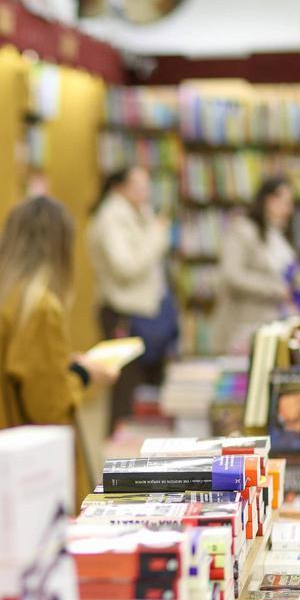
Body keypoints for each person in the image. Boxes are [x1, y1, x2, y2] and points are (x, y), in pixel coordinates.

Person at [0, 195, 117, 506]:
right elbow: (49, 407)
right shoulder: (40, 307)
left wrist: (62, 364)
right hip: (31, 479)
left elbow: (10, 372)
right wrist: (83, 374)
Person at [86, 166, 173, 433]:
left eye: (147, 185)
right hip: (124, 313)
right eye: (137, 186)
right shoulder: (111, 218)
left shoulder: (139, 214)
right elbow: (126, 268)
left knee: (145, 393)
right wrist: (156, 235)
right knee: (125, 391)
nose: (144, 192)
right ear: (118, 187)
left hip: (145, 312)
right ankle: (119, 456)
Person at [212, 176, 299, 354]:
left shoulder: (278, 236)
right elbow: (232, 275)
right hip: (242, 328)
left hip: (271, 326)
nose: (289, 210)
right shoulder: (243, 230)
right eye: (285, 202)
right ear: (269, 201)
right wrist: (277, 289)